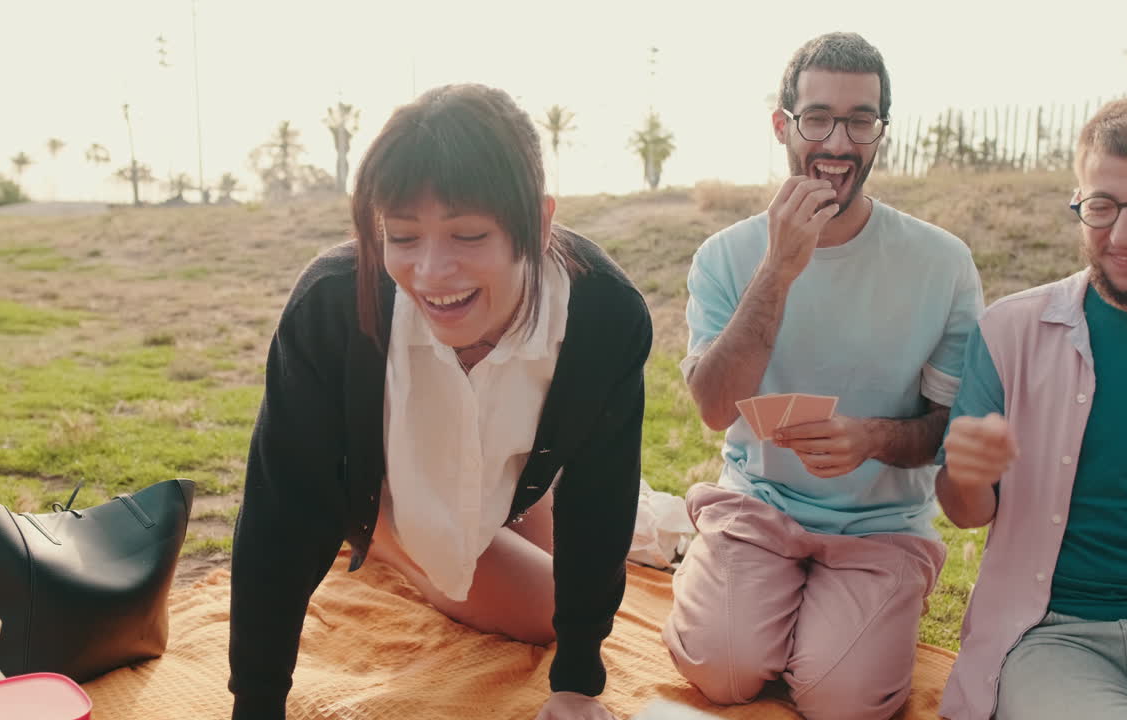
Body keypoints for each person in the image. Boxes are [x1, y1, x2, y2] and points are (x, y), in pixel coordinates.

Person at [227, 84, 652, 720]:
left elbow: (601, 500)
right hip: (393, 481)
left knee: (564, 607)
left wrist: (576, 684)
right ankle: (381, 520)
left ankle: (441, 520)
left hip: (513, 485)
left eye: (468, 235)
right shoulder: (330, 308)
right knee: (536, 605)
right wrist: (257, 705)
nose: (430, 273)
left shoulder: (606, 317)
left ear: (539, 225)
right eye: (402, 237)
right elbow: (280, 514)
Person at [662, 31, 984, 720]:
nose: (838, 143)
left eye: (860, 120)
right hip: (758, 505)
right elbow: (715, 409)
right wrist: (778, 270)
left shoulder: (942, 263)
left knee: (841, 702)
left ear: (881, 132)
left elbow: (950, 430)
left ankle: (846, 608)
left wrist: (871, 439)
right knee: (721, 671)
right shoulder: (725, 257)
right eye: (818, 118)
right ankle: (733, 570)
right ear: (783, 126)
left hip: (881, 526)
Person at [936, 96, 1127, 720]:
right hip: (1051, 637)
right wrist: (965, 474)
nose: (1124, 235)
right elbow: (966, 512)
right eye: (1102, 206)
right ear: (1079, 203)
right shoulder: (1008, 332)